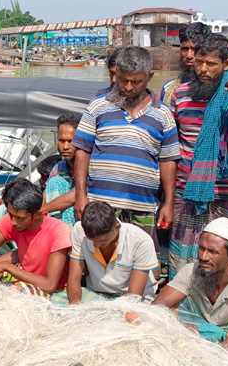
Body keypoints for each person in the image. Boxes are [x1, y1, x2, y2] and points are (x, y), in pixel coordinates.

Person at [72, 46, 179, 254]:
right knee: (98, 259)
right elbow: (82, 151)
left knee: (141, 262)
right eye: (123, 80)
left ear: (150, 77)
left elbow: (168, 161)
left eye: (136, 82)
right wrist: (80, 195)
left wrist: (168, 203)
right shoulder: (97, 106)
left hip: (142, 207)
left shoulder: (163, 114)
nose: (128, 87)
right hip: (100, 206)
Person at [168, 34, 228, 278]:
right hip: (187, 190)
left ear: (227, 64)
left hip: (226, 191)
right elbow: (170, 147)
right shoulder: (180, 95)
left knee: (219, 257)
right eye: (199, 62)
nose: (203, 69)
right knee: (182, 259)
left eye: (211, 64)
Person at [154, 218, 228, 365]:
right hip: (199, 336)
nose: (203, 257)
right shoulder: (190, 271)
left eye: (213, 252)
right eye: (202, 248)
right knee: (171, 310)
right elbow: (157, 306)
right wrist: (179, 327)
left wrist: (217, 357)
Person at [52, 201, 158, 305]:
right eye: (91, 240)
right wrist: (76, 304)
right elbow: (74, 277)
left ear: (117, 226)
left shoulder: (141, 241)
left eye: (102, 241)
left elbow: (133, 298)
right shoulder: (79, 230)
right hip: (97, 294)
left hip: (133, 298)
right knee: (57, 302)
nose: (96, 246)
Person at [41, 114, 79, 229]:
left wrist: (41, 211)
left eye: (70, 141)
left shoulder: (91, 166)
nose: (65, 146)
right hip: (62, 222)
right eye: (61, 141)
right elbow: (45, 196)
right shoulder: (59, 167)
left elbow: (74, 196)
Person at [160, 22, 210, 105]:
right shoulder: (169, 89)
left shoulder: (221, 89)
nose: (189, 56)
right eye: (185, 49)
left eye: (194, 49)